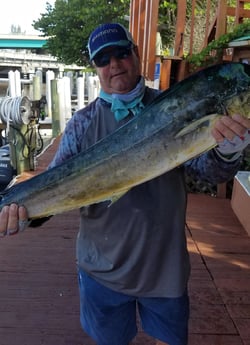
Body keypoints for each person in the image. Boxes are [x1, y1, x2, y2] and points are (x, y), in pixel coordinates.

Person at [0, 23, 250, 345]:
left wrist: (228, 150)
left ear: (136, 54)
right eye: (104, 59)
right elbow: (53, 186)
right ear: (96, 69)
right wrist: (22, 210)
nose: (114, 64)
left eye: (121, 53)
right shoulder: (81, 124)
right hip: (100, 270)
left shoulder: (175, 106)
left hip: (165, 269)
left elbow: (206, 174)